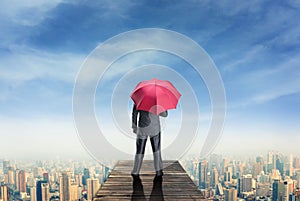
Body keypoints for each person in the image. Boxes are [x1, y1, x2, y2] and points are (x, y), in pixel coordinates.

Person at [131, 104, 168, 179]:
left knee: (139, 151)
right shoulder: (157, 101)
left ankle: (136, 171)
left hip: (142, 128)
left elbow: (134, 113)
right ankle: (159, 171)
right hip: (155, 129)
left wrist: (134, 127)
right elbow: (165, 114)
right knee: (156, 151)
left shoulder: (139, 99)